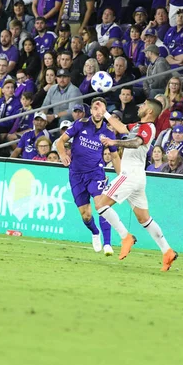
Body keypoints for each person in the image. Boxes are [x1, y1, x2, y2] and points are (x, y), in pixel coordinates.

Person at [92, 99, 178, 271]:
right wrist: (105, 112)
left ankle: (125, 237)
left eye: (144, 105)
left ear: (150, 112)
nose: (140, 106)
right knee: (144, 218)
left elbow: (137, 142)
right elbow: (122, 127)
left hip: (129, 175)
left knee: (100, 204)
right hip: (137, 177)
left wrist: (114, 142)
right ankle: (167, 251)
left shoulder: (149, 128)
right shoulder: (139, 126)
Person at [57, 97, 121, 255]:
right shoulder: (80, 124)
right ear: (91, 110)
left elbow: (115, 157)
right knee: (86, 215)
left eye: (101, 109)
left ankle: (108, 243)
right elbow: (60, 141)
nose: (98, 112)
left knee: (101, 206)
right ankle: (95, 232)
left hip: (96, 174)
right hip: (76, 174)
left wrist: (121, 177)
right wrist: (62, 154)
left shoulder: (108, 133)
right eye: (95, 108)